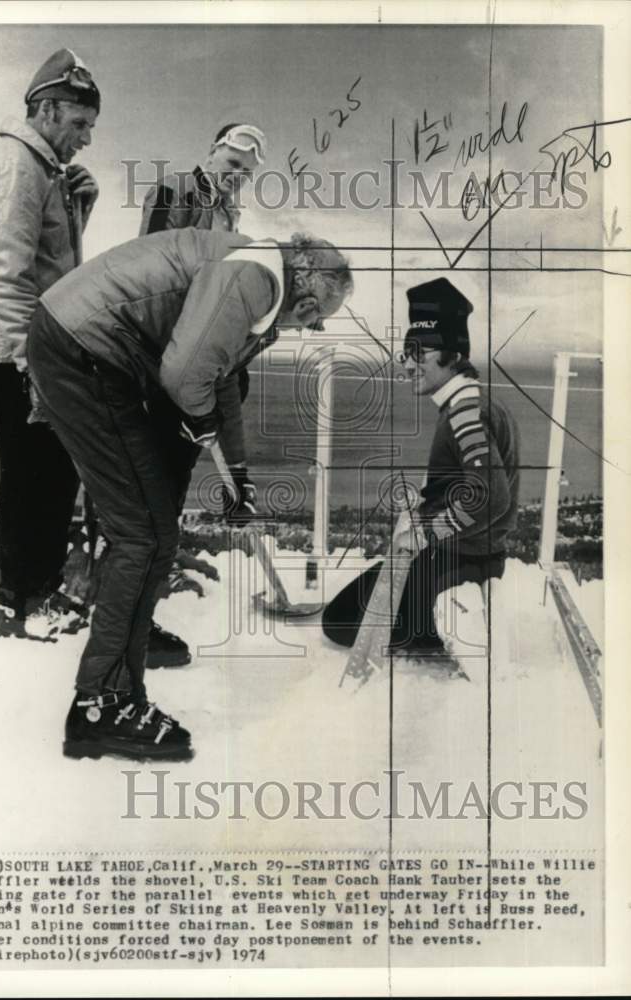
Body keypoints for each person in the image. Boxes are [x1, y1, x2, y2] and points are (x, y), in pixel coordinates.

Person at [27, 229, 353, 759]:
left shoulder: (258, 275)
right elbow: (185, 376)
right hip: (85, 351)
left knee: (148, 532)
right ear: (308, 298)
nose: (313, 327)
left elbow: (219, 376)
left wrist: (238, 472)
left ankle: (120, 671)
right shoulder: (255, 279)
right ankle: (100, 706)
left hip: (88, 346)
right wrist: (197, 419)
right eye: (317, 318)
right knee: (146, 535)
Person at [0, 48, 100, 639]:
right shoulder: (18, 167)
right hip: (13, 347)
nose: (86, 140)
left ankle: (35, 593)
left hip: (25, 344)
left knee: (52, 468)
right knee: (32, 473)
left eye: (90, 128)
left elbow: (45, 262)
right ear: (45, 110)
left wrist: (80, 208)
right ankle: (20, 604)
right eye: (78, 124)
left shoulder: (39, 169)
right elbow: (6, 276)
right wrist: (31, 363)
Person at [323, 277, 520, 661]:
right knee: (349, 612)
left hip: (458, 559)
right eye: (405, 352)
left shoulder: (464, 411)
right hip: (467, 553)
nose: (408, 364)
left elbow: (491, 497)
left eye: (419, 352)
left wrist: (427, 531)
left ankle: (450, 623)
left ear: (451, 353)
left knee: (341, 622)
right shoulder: (469, 401)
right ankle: (443, 615)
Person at [137, 123, 269, 668]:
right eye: (232, 162)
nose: (237, 175)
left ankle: (159, 555)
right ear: (211, 151)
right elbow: (153, 264)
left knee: (183, 458)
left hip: (199, 346)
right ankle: (140, 576)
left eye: (246, 170)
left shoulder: (228, 211)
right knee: (154, 467)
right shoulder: (174, 190)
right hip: (166, 346)